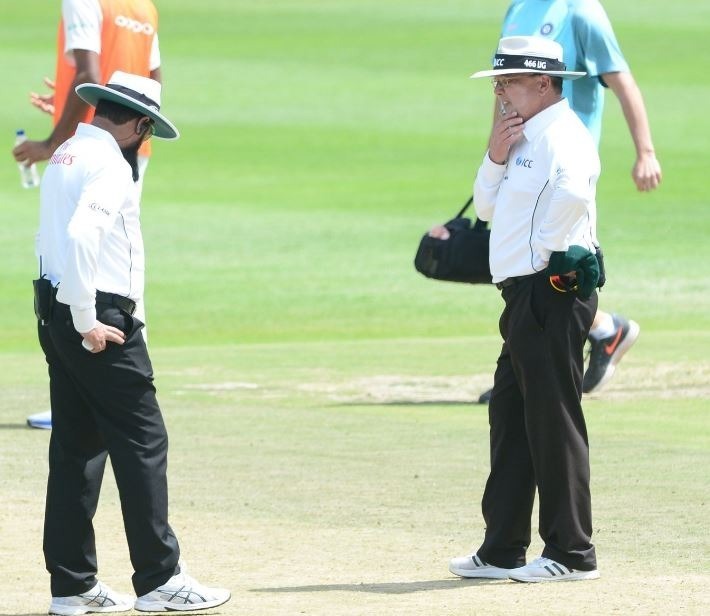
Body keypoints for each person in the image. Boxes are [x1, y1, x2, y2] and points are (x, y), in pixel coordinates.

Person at [35, 71, 230, 614]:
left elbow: (52, 237)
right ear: (141, 124)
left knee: (76, 449)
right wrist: (87, 320)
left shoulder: (67, 152)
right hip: (96, 315)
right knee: (144, 442)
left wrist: (69, 317)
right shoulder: (111, 166)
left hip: (55, 309)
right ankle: (160, 579)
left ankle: (72, 586)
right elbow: (80, 236)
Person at [448, 36, 602, 582]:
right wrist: (494, 153)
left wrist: (540, 258)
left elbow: (575, 195)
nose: (500, 93)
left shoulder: (565, 134)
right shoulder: (518, 134)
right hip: (522, 298)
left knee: (552, 421)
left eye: (507, 82)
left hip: (550, 293)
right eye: (497, 83)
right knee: (511, 419)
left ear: (542, 82)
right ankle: (503, 548)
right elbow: (486, 205)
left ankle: (570, 553)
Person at [475, 0, 662, 403]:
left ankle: (571, 349)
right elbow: (506, 81)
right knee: (513, 262)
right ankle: (592, 334)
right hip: (523, 154)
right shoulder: (518, 8)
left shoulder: (582, 11)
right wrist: (499, 145)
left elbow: (621, 79)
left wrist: (645, 151)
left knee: (543, 266)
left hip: (561, 161)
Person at [15, 0, 163, 430]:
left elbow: (90, 76)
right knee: (121, 260)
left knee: (75, 251)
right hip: (133, 138)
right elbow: (153, 82)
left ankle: (90, 390)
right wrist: (122, 122)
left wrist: (52, 142)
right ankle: (128, 384)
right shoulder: (144, 5)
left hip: (103, 140)